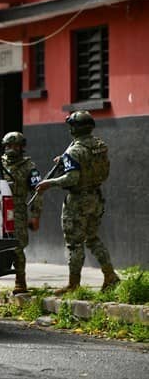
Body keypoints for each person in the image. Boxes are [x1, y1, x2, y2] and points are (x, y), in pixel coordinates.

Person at [36, 111, 119, 294]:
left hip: (78, 201)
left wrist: (49, 183)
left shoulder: (74, 150)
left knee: (74, 244)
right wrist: (65, 161)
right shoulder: (99, 145)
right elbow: (91, 165)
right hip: (95, 197)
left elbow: (72, 179)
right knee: (93, 238)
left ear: (74, 128)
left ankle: (74, 285)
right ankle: (110, 275)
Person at [0, 131, 43, 294]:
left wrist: (35, 216)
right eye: (8, 146)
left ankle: (20, 281)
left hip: (17, 210)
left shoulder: (29, 167)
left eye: (15, 145)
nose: (11, 149)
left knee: (17, 247)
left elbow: (38, 192)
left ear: (21, 147)